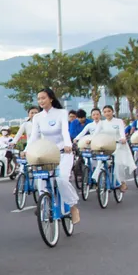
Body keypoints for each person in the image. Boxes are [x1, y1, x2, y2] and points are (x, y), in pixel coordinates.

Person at [33, 87, 80, 223]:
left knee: (61, 180)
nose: (41, 101)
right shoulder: (37, 117)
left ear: (51, 98)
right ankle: (44, 203)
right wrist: (27, 150)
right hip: (47, 154)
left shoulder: (61, 113)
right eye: (39, 99)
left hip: (63, 152)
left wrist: (68, 145)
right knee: (41, 181)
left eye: (43, 98)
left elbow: (65, 131)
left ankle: (73, 207)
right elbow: (34, 137)